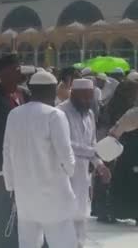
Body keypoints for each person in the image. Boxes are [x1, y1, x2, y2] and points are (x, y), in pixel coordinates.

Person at [3, 70, 77, 248]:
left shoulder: (14, 114)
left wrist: (11, 186)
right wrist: (71, 170)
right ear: (52, 90)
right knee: (63, 242)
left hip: (25, 196)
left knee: (28, 243)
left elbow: (7, 152)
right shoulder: (54, 115)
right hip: (53, 196)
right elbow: (66, 155)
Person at [58, 79, 111, 247]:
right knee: (64, 215)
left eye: (90, 97)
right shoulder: (60, 113)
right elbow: (64, 144)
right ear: (74, 94)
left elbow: (92, 143)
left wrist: (100, 164)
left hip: (82, 175)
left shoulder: (89, 113)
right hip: (63, 172)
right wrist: (92, 152)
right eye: (85, 97)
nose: (88, 101)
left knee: (81, 214)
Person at [0, 54, 27, 248]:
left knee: (24, 210)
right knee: (2, 209)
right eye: (16, 69)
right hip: (3, 166)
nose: (20, 72)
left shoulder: (25, 94)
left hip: (26, 163)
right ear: (4, 73)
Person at [105, 82, 138, 224]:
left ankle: (117, 211)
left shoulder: (133, 113)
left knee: (124, 180)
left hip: (130, 151)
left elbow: (115, 131)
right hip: (131, 151)